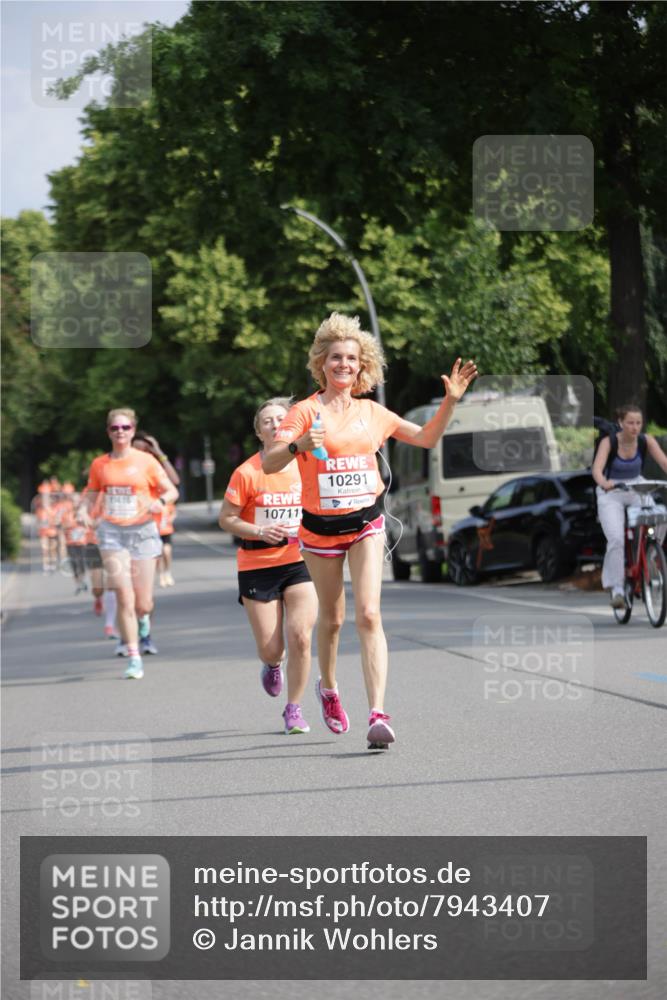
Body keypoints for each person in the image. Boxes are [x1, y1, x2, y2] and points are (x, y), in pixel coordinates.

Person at [263, 312, 478, 749]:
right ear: (322, 363)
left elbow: (426, 437)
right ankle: (328, 688)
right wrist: (298, 445)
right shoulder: (304, 412)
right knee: (332, 619)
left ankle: (378, 713)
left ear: (362, 366)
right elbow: (270, 462)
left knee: (369, 614)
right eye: (336, 357)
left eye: (352, 359)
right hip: (320, 531)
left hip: (366, 523)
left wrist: (451, 402)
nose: (344, 364)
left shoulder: (371, 412)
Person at [219, 398, 318, 735]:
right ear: (259, 433)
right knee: (272, 648)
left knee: (301, 636)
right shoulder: (247, 472)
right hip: (257, 564)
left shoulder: (307, 465)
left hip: (301, 561)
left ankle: (294, 709)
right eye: (267, 422)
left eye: (281, 419)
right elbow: (226, 519)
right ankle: (272, 664)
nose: (275, 425)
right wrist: (259, 531)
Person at [85, 408, 179, 679]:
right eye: (115, 428)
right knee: (123, 596)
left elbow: (172, 490)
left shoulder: (146, 461)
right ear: (108, 432)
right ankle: (134, 656)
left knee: (143, 603)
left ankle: (144, 619)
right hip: (112, 533)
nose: (120, 432)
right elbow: (91, 494)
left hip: (143, 533)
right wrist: (84, 512)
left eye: (125, 427)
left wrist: (160, 502)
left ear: (133, 430)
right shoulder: (100, 464)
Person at [592, 403, 667, 608]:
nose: (635, 427)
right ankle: (616, 588)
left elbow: (664, 463)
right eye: (630, 423)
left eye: (638, 423)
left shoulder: (645, 440)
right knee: (616, 539)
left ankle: (650, 557)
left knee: (661, 519)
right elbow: (597, 469)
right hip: (611, 492)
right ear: (620, 423)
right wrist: (604, 483)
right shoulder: (609, 442)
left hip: (636, 487)